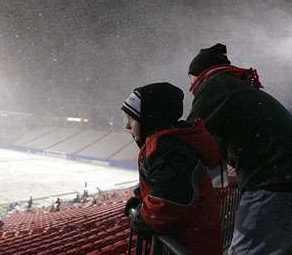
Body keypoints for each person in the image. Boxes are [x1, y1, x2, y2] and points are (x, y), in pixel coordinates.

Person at [186, 43, 292, 255]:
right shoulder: (237, 87)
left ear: (197, 75)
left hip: (273, 182)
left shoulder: (216, 86)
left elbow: (190, 137)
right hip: (281, 180)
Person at [121, 82, 222, 255]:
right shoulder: (168, 144)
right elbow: (160, 184)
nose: (127, 126)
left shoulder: (167, 150)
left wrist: (140, 216)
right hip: (195, 240)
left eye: (132, 118)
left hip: (190, 245)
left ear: (149, 119)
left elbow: (168, 205)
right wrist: (141, 198)